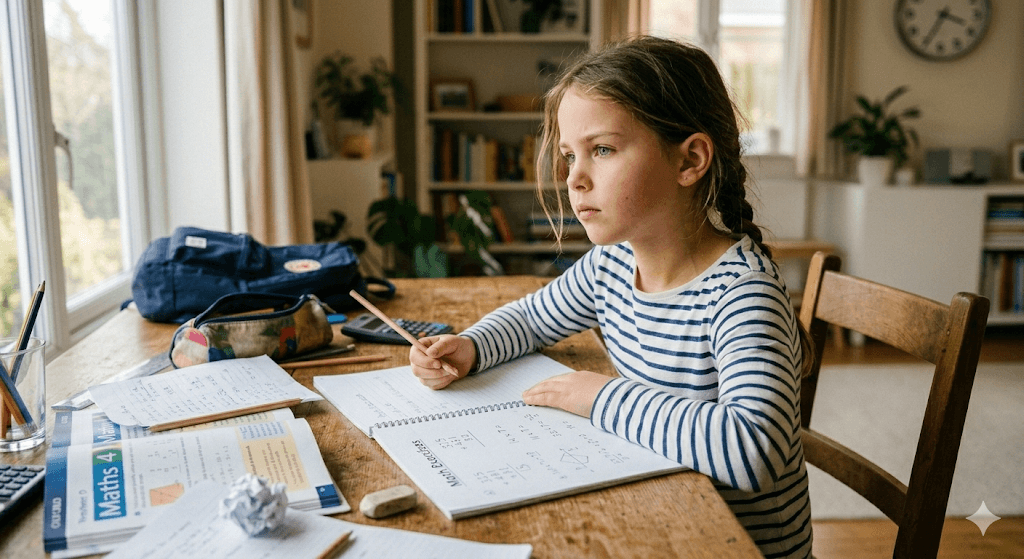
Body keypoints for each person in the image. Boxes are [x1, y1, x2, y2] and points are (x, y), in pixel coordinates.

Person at [409, 36, 813, 558]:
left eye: (601, 150)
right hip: (660, 517)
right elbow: (532, 319)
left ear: (689, 160)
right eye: (569, 155)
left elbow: (753, 450)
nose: (574, 178)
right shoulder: (614, 264)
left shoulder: (741, 294)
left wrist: (600, 398)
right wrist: (471, 346)